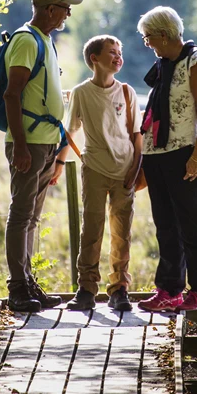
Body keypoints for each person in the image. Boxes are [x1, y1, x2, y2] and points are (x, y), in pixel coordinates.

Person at [1, 0, 83, 313]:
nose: (68, 13)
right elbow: (11, 94)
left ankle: (28, 282)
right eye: (65, 7)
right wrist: (20, 145)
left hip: (46, 142)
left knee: (32, 217)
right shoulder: (25, 41)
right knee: (21, 216)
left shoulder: (46, 41)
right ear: (51, 9)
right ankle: (18, 288)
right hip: (30, 143)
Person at [135, 6, 197, 312]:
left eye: (148, 37)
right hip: (156, 153)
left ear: (164, 35)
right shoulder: (163, 64)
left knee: (191, 224)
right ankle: (169, 289)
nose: (147, 43)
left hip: (183, 152)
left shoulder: (195, 59)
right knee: (166, 225)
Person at [56, 35, 143, 312]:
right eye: (111, 52)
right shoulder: (81, 92)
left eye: (120, 52)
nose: (118, 57)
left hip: (125, 170)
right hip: (93, 169)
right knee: (91, 230)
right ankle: (86, 289)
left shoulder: (127, 92)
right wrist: (60, 163)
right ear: (94, 59)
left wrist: (136, 170)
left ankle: (119, 289)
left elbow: (137, 136)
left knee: (122, 232)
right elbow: (69, 131)